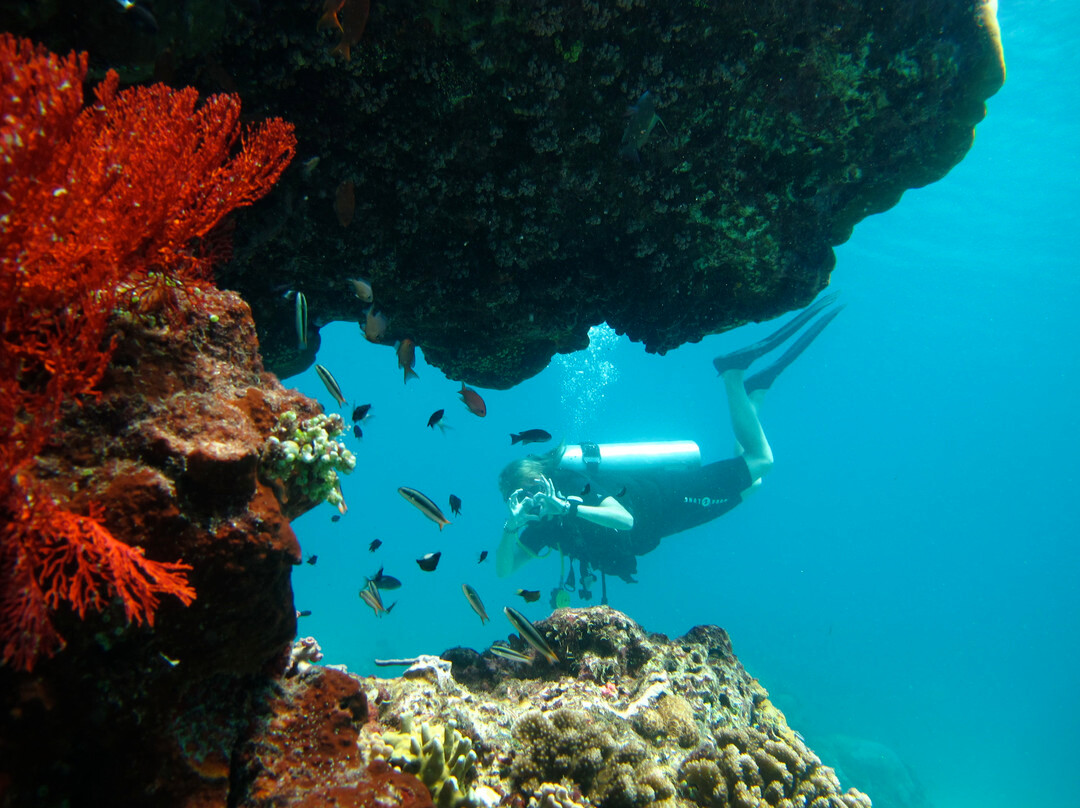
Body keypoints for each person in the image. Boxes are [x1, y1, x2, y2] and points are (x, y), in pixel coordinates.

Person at [495, 293, 844, 603]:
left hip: (670, 497)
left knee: (761, 462)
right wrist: (511, 528)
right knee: (753, 485)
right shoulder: (542, 525)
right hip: (666, 522)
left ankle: (732, 376)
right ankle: (751, 396)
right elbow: (504, 570)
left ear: (543, 480)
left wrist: (568, 508)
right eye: (521, 501)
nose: (532, 504)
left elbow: (624, 519)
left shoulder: (571, 487)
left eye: (531, 492)